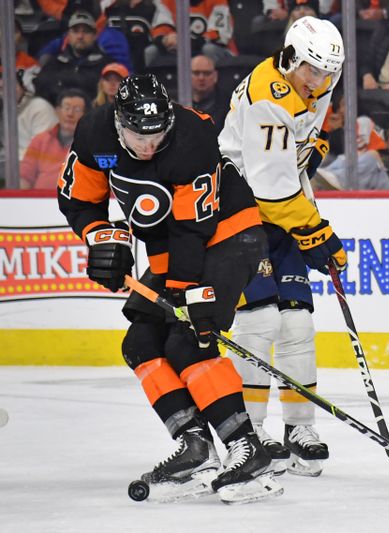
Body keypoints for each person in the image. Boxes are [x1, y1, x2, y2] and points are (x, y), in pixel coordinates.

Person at [56, 74, 280, 504]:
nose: (148, 147)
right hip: (171, 248)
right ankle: (196, 448)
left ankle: (246, 448)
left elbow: (191, 231)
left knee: (187, 340)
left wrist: (183, 293)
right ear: (119, 123)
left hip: (229, 236)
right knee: (140, 343)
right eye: (138, 137)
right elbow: (79, 200)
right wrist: (100, 235)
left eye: (156, 136)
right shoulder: (94, 133)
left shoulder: (193, 135)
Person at [218, 16, 347, 477]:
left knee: (297, 322)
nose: (320, 82)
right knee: (258, 322)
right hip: (242, 213)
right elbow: (271, 190)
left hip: (281, 207)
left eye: (329, 74)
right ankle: (249, 433)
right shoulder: (266, 98)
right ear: (290, 57)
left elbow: (303, 142)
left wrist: (314, 144)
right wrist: (316, 233)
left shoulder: (316, 79)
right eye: (312, 71)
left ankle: (299, 428)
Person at [33, 10, 115, 105]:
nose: (80, 36)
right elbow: (41, 96)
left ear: (95, 36)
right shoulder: (53, 65)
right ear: (68, 36)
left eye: (86, 32)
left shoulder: (108, 66)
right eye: (75, 31)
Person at [21, 88, 88, 190]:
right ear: (57, 111)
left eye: (77, 109)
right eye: (66, 108)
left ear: (85, 115)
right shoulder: (40, 140)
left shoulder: (91, 143)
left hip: (76, 202)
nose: (70, 114)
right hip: (38, 202)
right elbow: (25, 177)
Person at [190, 55, 228, 134]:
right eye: (196, 73)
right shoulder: (175, 102)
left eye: (207, 73)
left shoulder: (228, 105)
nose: (201, 78)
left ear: (215, 76)